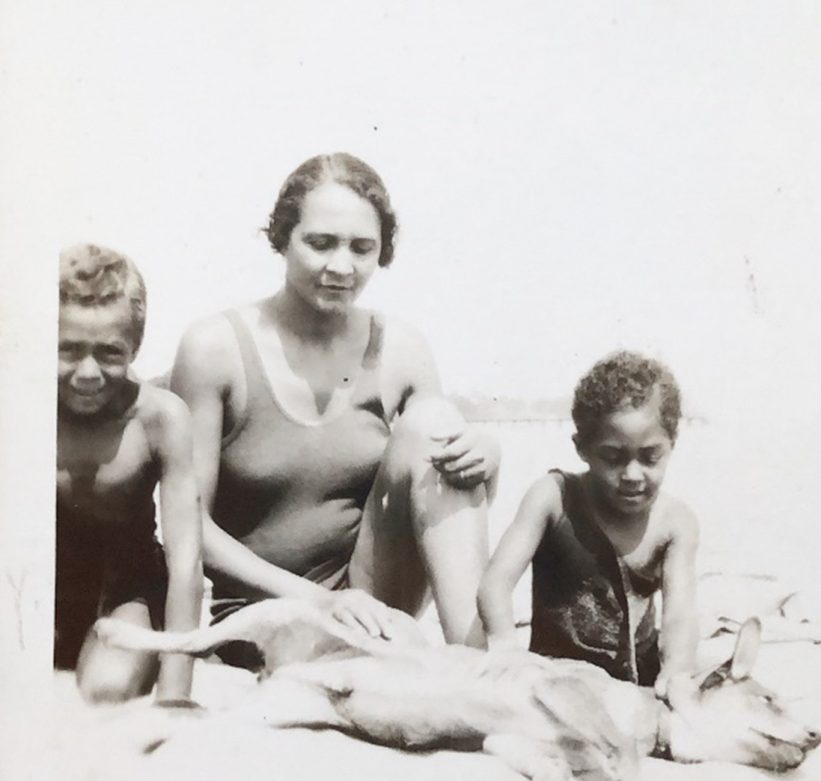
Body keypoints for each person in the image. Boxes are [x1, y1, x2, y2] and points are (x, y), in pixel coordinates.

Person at [170, 153, 498, 656]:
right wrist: (318, 603)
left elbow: (446, 508)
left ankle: (477, 664)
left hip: (372, 601)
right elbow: (188, 525)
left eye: (362, 248)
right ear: (282, 238)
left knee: (438, 421)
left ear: (382, 252)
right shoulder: (215, 348)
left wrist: (486, 458)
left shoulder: (402, 350)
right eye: (320, 243)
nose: (341, 267)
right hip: (264, 611)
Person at [478, 350, 699, 692]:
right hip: (556, 683)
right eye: (613, 457)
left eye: (650, 457)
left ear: (672, 444)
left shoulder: (675, 522)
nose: (632, 474)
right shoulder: (553, 498)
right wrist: (506, 647)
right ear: (582, 447)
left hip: (636, 689)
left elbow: (679, 617)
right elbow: (495, 583)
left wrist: (678, 672)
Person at [55, 244, 203, 703]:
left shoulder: (159, 418)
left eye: (109, 353)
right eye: (68, 350)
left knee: (109, 688)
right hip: (38, 587)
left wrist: (175, 696)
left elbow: (186, 563)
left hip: (126, 589)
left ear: (136, 346)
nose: (87, 372)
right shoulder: (19, 402)